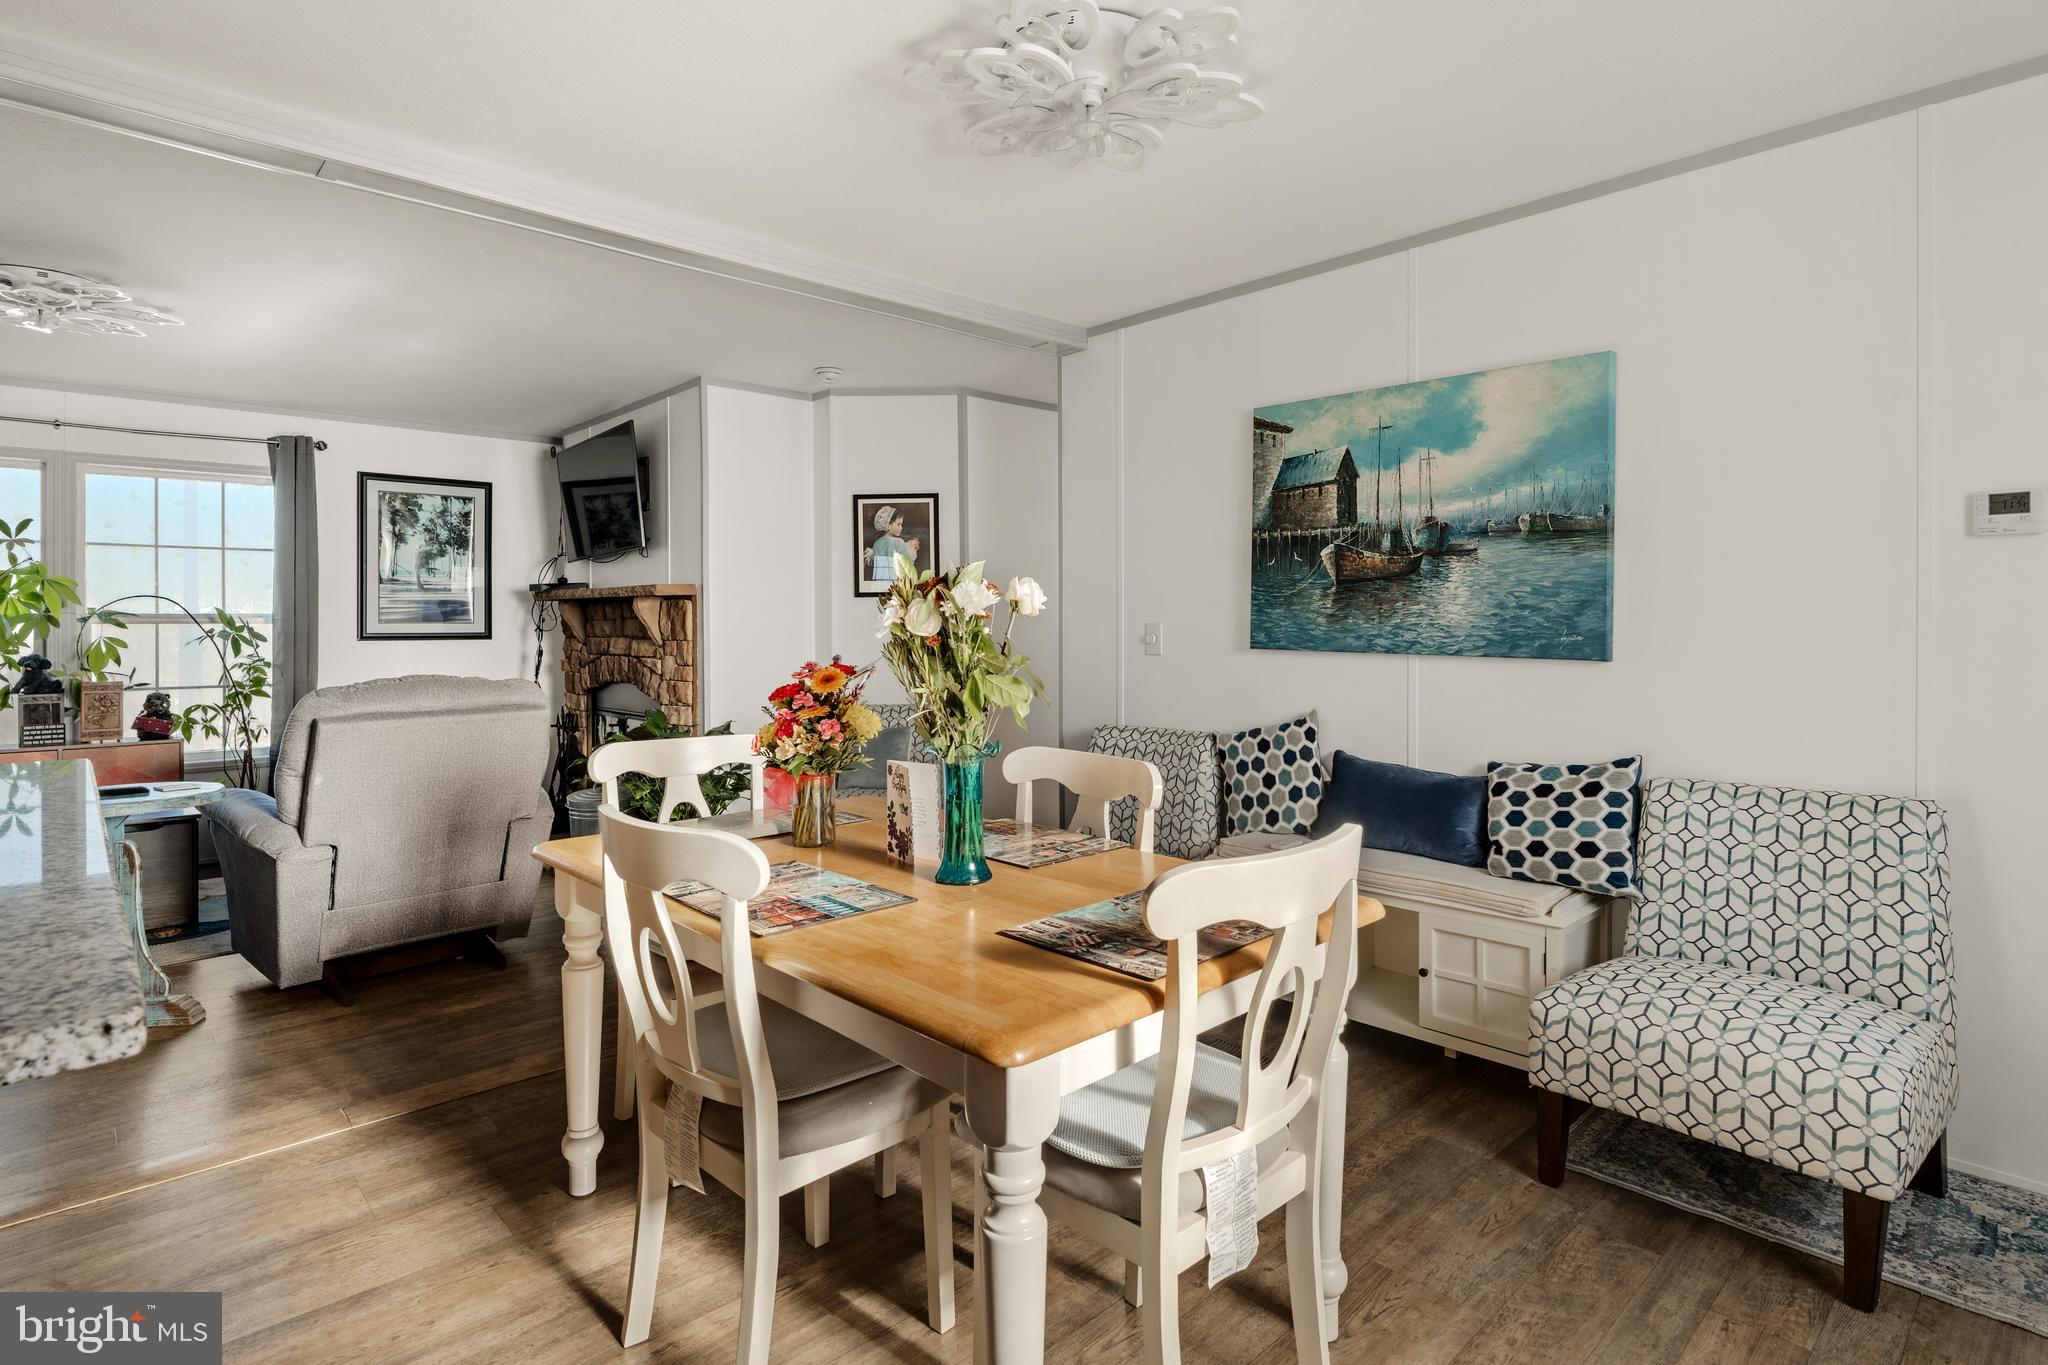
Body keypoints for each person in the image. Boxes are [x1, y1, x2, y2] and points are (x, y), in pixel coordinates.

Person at [863, 505, 921, 583]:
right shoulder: (899, 542)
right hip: (895, 584)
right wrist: (913, 550)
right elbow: (907, 563)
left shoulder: (876, 544)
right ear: (888, 526)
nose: (901, 527)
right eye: (898, 524)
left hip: (881, 583)